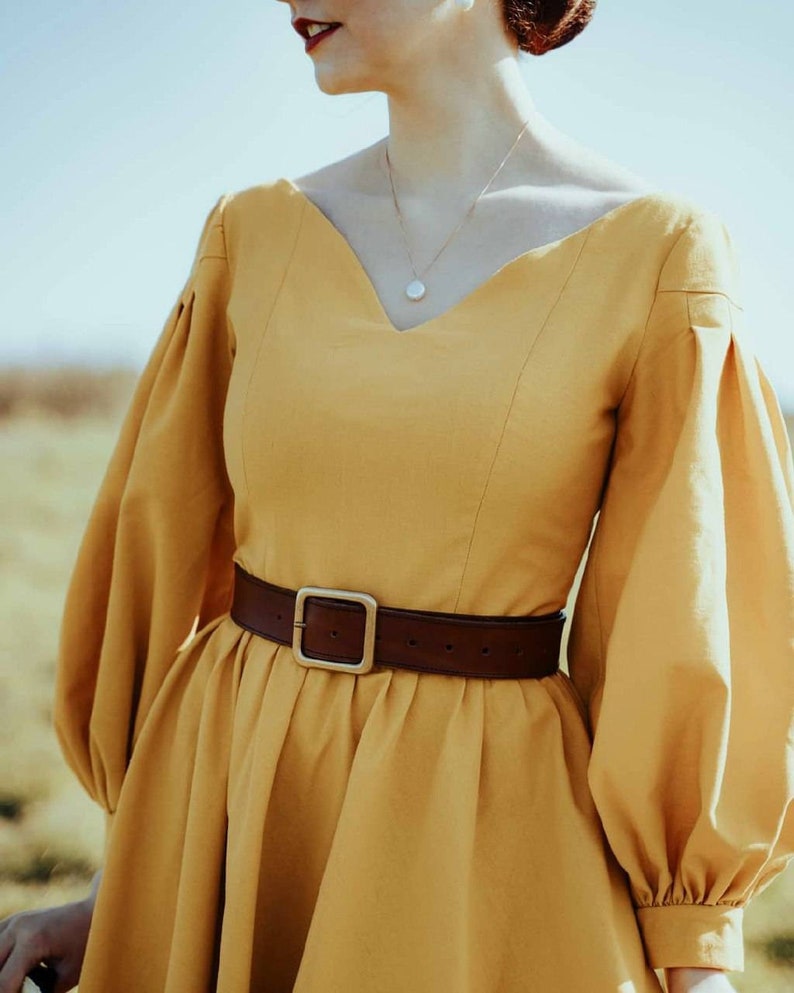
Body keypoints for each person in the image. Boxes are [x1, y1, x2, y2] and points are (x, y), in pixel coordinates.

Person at [1, 0, 792, 990]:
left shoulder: (659, 257)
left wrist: (695, 955)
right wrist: (123, 888)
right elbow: (158, 546)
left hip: (480, 832)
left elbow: (682, 618)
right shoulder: (249, 233)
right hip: (233, 804)